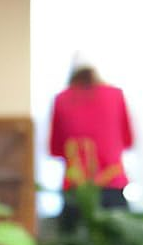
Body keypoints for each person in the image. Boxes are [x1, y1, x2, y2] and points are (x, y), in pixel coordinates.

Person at [48, 62, 134, 232]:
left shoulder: (62, 99)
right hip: (111, 184)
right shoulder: (115, 95)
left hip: (76, 187)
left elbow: (55, 148)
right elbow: (128, 140)